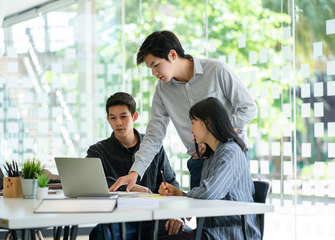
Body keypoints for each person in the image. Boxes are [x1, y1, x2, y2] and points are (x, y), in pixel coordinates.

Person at [110, 30, 257, 192]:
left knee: (231, 213)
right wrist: (134, 172)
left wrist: (215, 134)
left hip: (230, 157)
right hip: (199, 162)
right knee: (201, 215)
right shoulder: (163, 90)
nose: (154, 73)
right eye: (150, 68)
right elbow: (154, 136)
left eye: (156, 65)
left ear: (172, 55)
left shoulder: (216, 70)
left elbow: (248, 108)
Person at [157, 97, 261, 240]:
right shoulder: (213, 155)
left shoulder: (230, 152)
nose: (191, 130)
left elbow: (209, 192)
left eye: (193, 123)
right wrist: (179, 194)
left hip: (229, 233)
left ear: (208, 122)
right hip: (211, 231)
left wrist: (183, 195)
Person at [87, 92, 186, 240]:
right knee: (99, 235)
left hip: (155, 218)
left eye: (123, 116)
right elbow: (91, 182)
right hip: (119, 219)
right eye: (113, 118)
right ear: (108, 119)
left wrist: (177, 215)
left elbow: (171, 182)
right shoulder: (98, 151)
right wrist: (128, 187)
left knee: (182, 230)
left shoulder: (153, 147)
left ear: (134, 117)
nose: (118, 122)